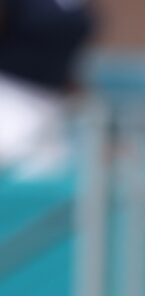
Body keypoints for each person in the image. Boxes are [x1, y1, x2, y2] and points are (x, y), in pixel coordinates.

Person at [0, 0, 94, 177]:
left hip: (54, 102)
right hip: (10, 93)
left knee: (46, 174)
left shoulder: (76, 7)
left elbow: (65, 53)